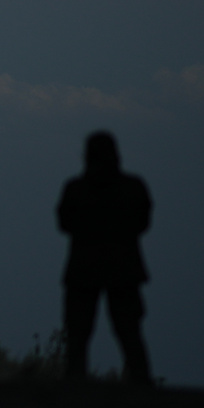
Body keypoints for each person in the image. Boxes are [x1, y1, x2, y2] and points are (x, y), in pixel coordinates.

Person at [56, 131, 153, 385]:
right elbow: (143, 222)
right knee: (128, 332)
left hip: (84, 269)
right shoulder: (133, 188)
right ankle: (140, 383)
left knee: (79, 333)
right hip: (123, 268)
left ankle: (75, 383)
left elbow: (64, 223)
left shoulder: (76, 189)